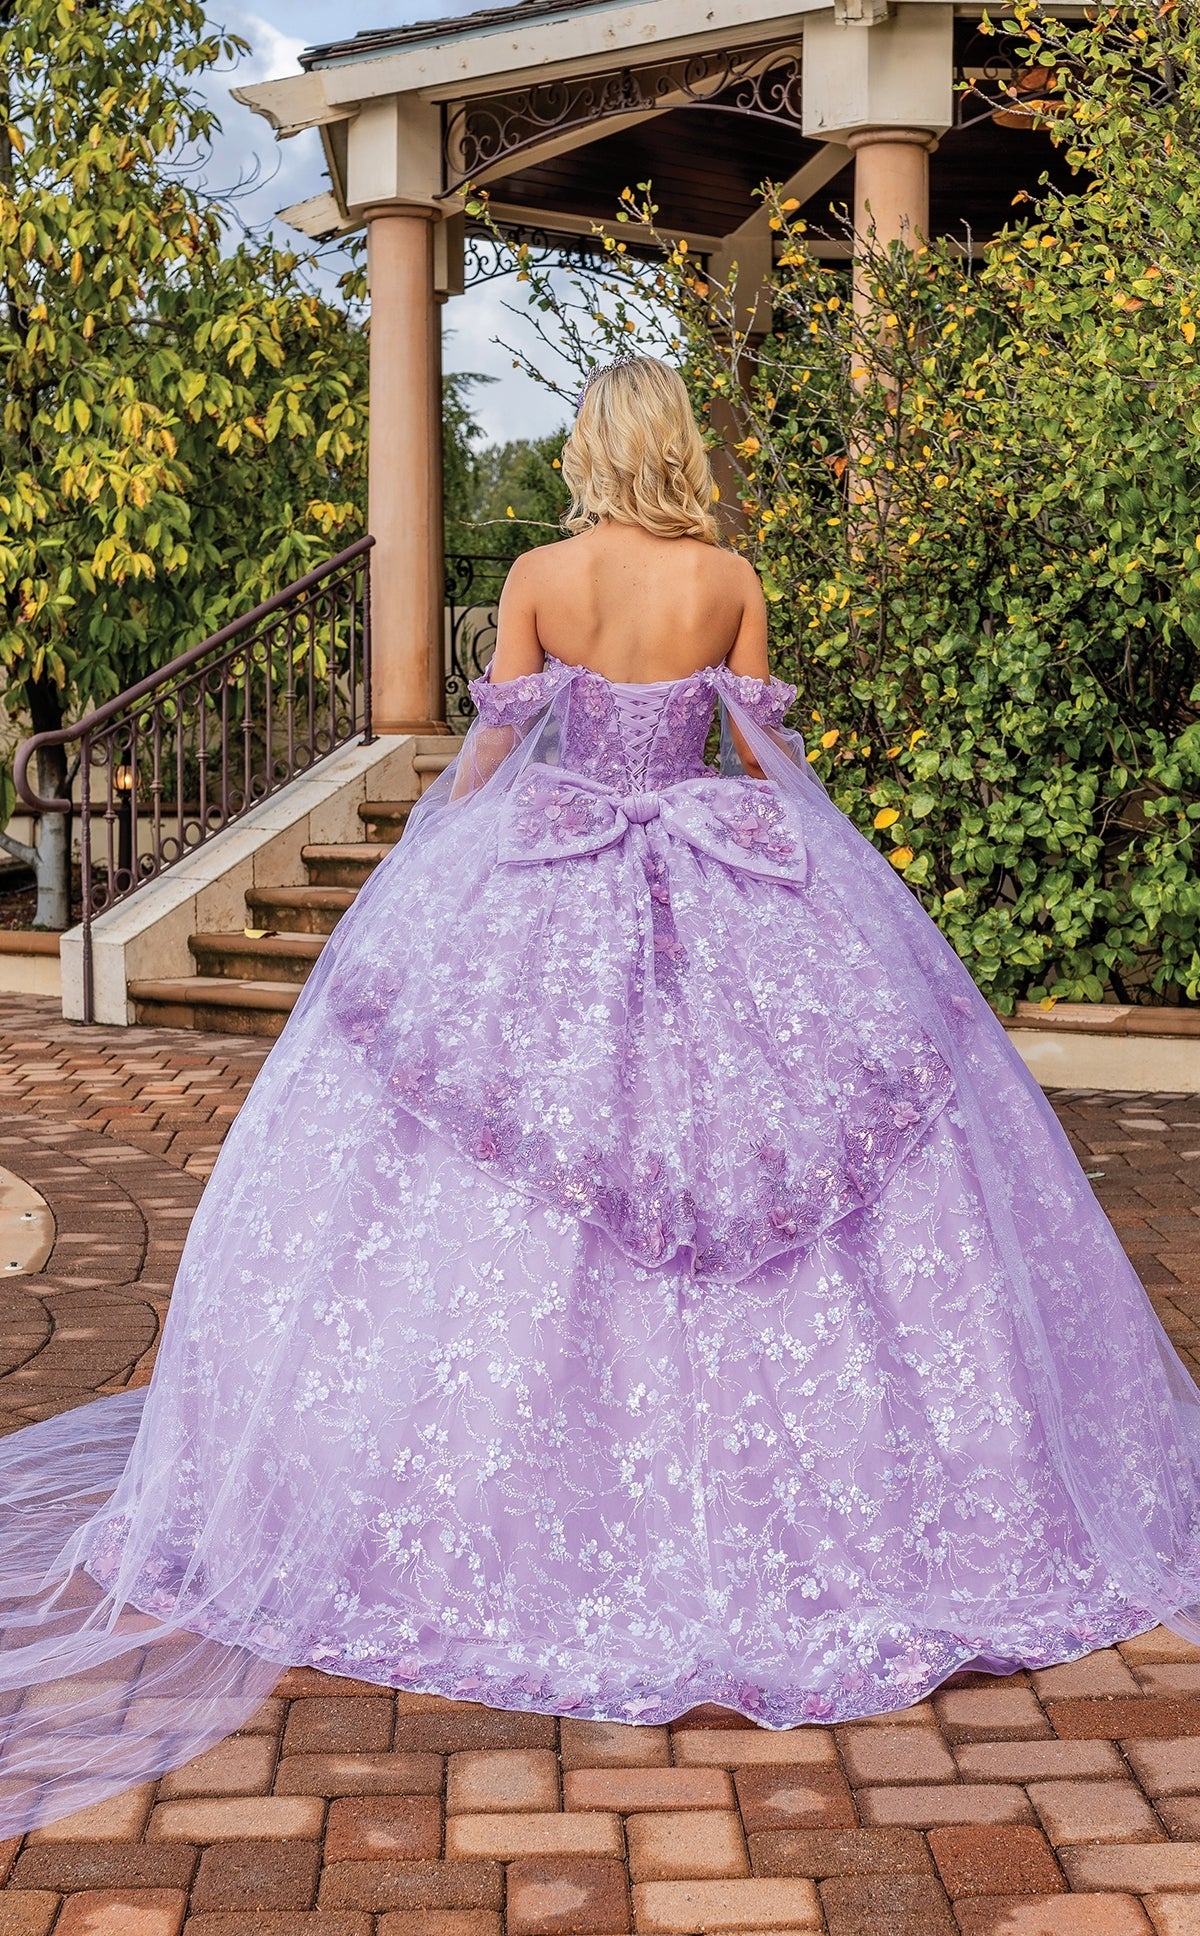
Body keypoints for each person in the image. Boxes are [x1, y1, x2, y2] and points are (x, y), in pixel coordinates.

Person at [2, 353, 1199, 1837]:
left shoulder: (542, 575)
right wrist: (836, 874)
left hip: (552, 871)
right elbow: (768, 755)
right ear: (680, 446)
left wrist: (425, 869)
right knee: (757, 1159)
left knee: (529, 1155)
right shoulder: (729, 574)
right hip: (720, 867)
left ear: (589, 445)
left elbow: (495, 749)